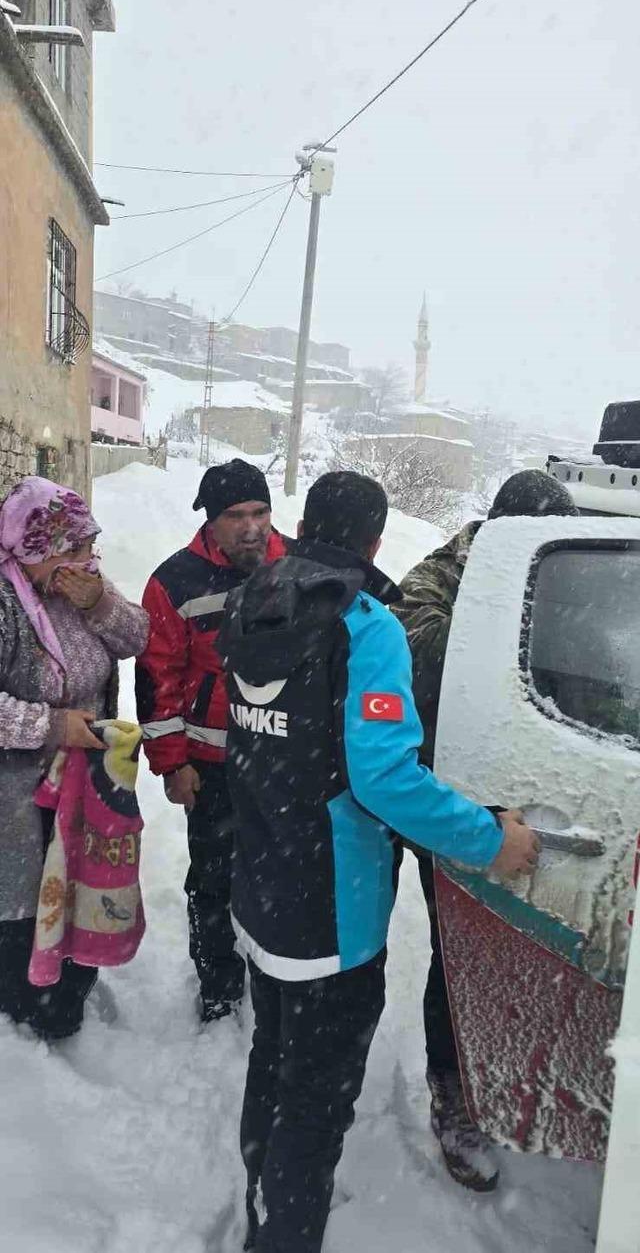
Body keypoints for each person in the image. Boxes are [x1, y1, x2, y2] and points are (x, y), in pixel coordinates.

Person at [217, 470, 539, 1253]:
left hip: (260, 878)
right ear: (375, 541)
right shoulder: (365, 624)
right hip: (331, 902)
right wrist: (494, 839)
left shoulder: (255, 599)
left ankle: (265, 1199)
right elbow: (386, 777)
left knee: (273, 1058)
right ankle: (284, 1231)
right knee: (317, 1100)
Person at [392, 468, 579, 1191]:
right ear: (504, 530)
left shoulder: (545, 578)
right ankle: (454, 1091)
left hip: (531, 794)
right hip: (452, 804)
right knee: (460, 948)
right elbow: (437, 663)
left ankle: (516, 1064)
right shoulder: (436, 580)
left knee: (535, 944)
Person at [136, 459, 286, 1023]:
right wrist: (173, 764)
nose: (252, 527)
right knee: (214, 877)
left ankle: (274, 968)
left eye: (261, 512)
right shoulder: (174, 582)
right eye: (236, 515)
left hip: (282, 761)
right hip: (212, 763)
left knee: (280, 872)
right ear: (209, 520)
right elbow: (158, 680)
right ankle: (219, 982)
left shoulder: (295, 564)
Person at [0, 475, 149, 1040]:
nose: (90, 560)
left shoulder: (80, 588)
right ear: (40, 550)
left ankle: (69, 1001)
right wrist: (51, 726)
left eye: (92, 547)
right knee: (24, 915)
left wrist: (100, 603)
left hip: (82, 789)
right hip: (16, 802)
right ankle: (28, 1033)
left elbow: (136, 637)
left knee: (83, 892)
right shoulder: (5, 603)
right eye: (77, 549)